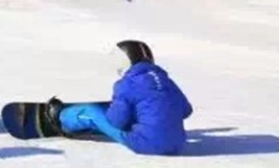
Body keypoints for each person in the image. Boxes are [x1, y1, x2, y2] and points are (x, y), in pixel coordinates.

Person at [54, 40, 193, 156]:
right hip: (178, 145)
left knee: (91, 112)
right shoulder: (166, 80)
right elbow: (186, 111)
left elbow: (116, 122)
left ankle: (62, 120)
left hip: (146, 145)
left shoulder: (126, 84)